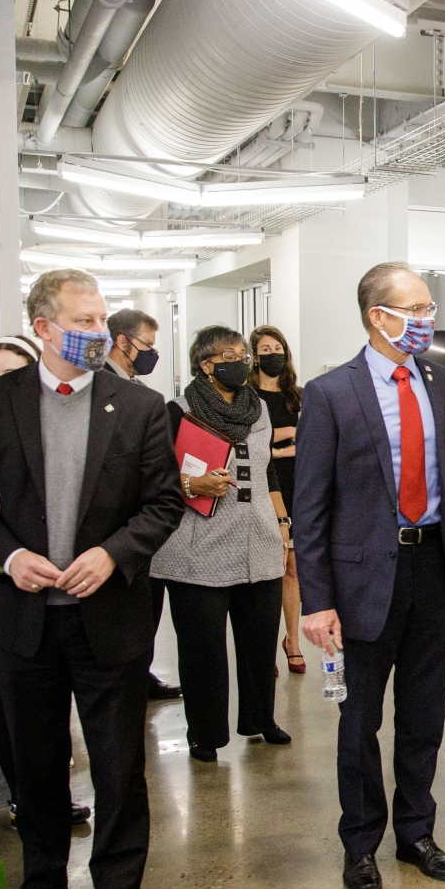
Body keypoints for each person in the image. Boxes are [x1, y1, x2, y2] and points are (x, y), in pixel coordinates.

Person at [0, 268, 183, 889]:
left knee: (118, 761)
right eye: (83, 322)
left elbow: (164, 503)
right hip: (25, 619)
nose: (98, 332)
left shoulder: (137, 406)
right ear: (43, 328)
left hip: (110, 617)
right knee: (36, 762)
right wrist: (10, 557)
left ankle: (118, 885)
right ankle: (42, 879)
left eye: (101, 319)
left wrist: (112, 554)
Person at [294, 263, 445, 889]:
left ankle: (417, 833)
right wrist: (317, 601)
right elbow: (310, 509)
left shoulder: (441, 382)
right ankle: (361, 843)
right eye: (417, 309)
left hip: (436, 573)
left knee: (424, 716)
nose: (428, 319)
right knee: (359, 723)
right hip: (362, 582)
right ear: (379, 316)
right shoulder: (330, 394)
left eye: (428, 308)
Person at [0, 335, 92, 829]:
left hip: (68, 578)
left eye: (10, 372)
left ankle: (55, 794)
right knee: (6, 686)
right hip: (2, 574)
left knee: (58, 694)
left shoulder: (64, 416)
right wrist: (13, 551)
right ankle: (23, 798)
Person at [152, 325, 294, 762]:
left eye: (242, 355)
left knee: (259, 642)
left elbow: (268, 469)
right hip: (198, 547)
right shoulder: (178, 411)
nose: (240, 362)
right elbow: (151, 476)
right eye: (228, 356)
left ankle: (261, 718)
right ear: (205, 365)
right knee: (203, 651)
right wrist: (192, 483)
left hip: (258, 540)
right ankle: (205, 734)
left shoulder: (258, 408)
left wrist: (282, 521)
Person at [101, 307, 182, 703]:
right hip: (116, 529)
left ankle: (141, 676)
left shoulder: (140, 394)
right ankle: (130, 681)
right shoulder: (103, 390)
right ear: (122, 341)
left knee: (146, 609)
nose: (152, 354)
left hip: (144, 525)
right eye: (147, 346)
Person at [249, 324, 305, 677]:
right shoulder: (246, 397)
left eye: (278, 348)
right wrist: (285, 441)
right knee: (266, 571)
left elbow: (313, 437)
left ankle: (293, 641)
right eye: (266, 350)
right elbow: (245, 445)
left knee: (292, 567)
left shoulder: (297, 395)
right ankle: (264, 645)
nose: (273, 355)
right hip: (261, 485)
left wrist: (280, 443)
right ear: (254, 357)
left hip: (295, 486)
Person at [104, 309, 162, 382]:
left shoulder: (137, 385)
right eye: (147, 344)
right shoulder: (99, 383)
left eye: (151, 346)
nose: (152, 352)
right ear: (123, 342)